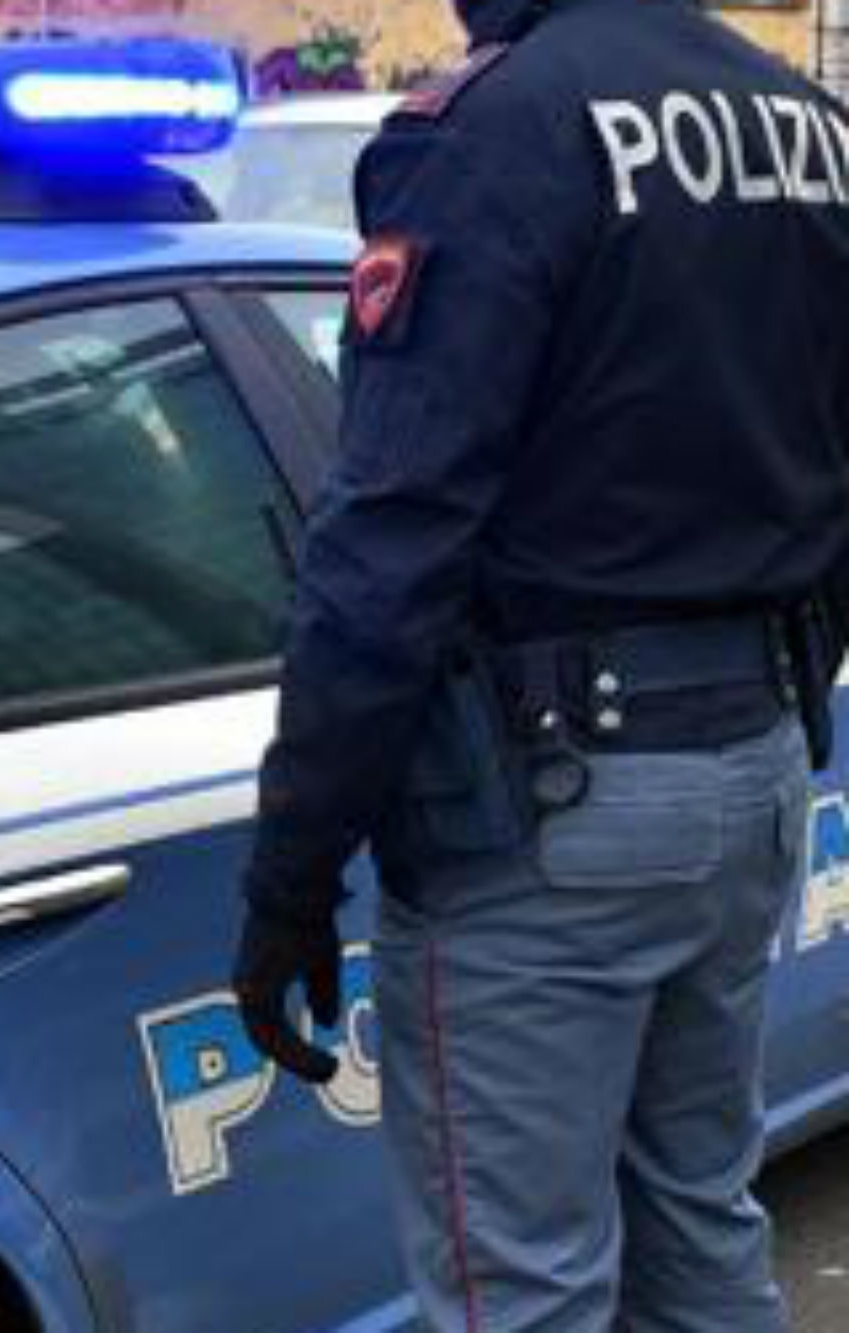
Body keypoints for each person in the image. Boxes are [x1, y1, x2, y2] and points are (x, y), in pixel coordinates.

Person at [228, 0, 849, 1329]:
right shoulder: (801, 122)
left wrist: (292, 872)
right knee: (702, 1232)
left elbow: (389, 536)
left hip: (554, 816)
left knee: (521, 1292)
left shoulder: (494, 131)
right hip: (752, 758)